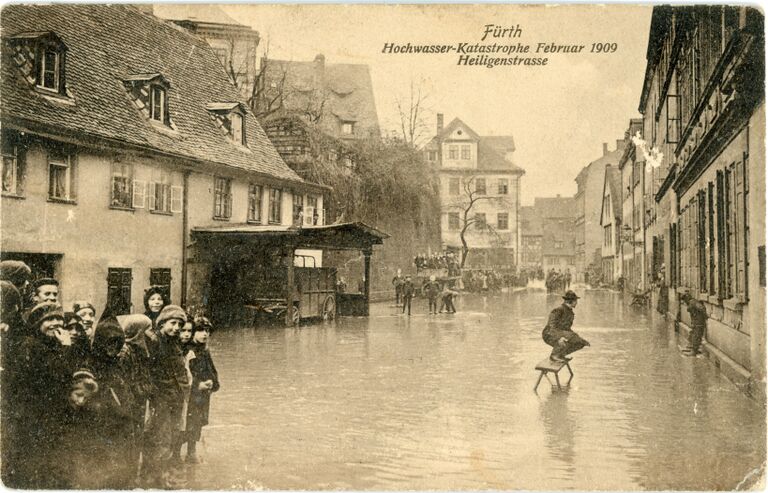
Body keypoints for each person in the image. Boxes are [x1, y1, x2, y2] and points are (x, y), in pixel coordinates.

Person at [12, 302, 76, 488]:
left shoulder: (51, 345)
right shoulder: (32, 346)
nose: (56, 323)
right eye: (50, 319)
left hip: (50, 414)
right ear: (38, 323)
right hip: (36, 415)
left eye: (59, 319)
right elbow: (57, 377)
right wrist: (66, 347)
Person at [143, 305, 189, 488]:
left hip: (175, 399)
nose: (176, 328)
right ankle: (158, 480)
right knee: (160, 438)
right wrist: (156, 397)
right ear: (162, 323)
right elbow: (150, 372)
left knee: (170, 437)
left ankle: (162, 476)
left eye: (180, 324)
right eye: (172, 323)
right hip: (161, 399)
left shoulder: (174, 343)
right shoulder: (154, 342)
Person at [118, 314, 154, 480]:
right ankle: (129, 475)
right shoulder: (125, 351)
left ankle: (134, 473)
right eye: (148, 330)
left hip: (140, 401)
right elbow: (124, 381)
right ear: (139, 332)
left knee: (138, 435)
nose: (151, 333)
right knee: (130, 437)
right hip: (130, 403)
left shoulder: (141, 349)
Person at [185, 317, 220, 463]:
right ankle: (187, 453)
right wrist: (197, 385)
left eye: (207, 331)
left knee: (197, 422)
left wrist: (213, 382)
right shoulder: (189, 351)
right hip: (192, 394)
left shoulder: (205, 350)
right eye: (200, 330)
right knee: (188, 422)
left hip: (203, 394)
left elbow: (212, 370)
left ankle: (191, 452)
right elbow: (185, 374)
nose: (204, 334)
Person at [542, 290, 590, 362]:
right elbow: (551, 326)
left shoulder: (570, 312)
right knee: (572, 336)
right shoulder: (558, 310)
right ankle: (554, 355)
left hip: (561, 333)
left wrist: (580, 339)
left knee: (581, 342)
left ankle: (561, 354)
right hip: (549, 334)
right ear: (571, 301)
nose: (576, 302)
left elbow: (567, 329)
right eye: (575, 301)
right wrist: (559, 338)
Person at [681, 291, 707, 356]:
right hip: (696, 322)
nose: (684, 302)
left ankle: (694, 351)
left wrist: (705, 317)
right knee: (693, 334)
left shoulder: (693, 302)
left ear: (687, 299)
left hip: (699, 322)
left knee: (696, 335)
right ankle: (692, 348)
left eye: (684, 300)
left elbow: (701, 308)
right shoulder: (691, 302)